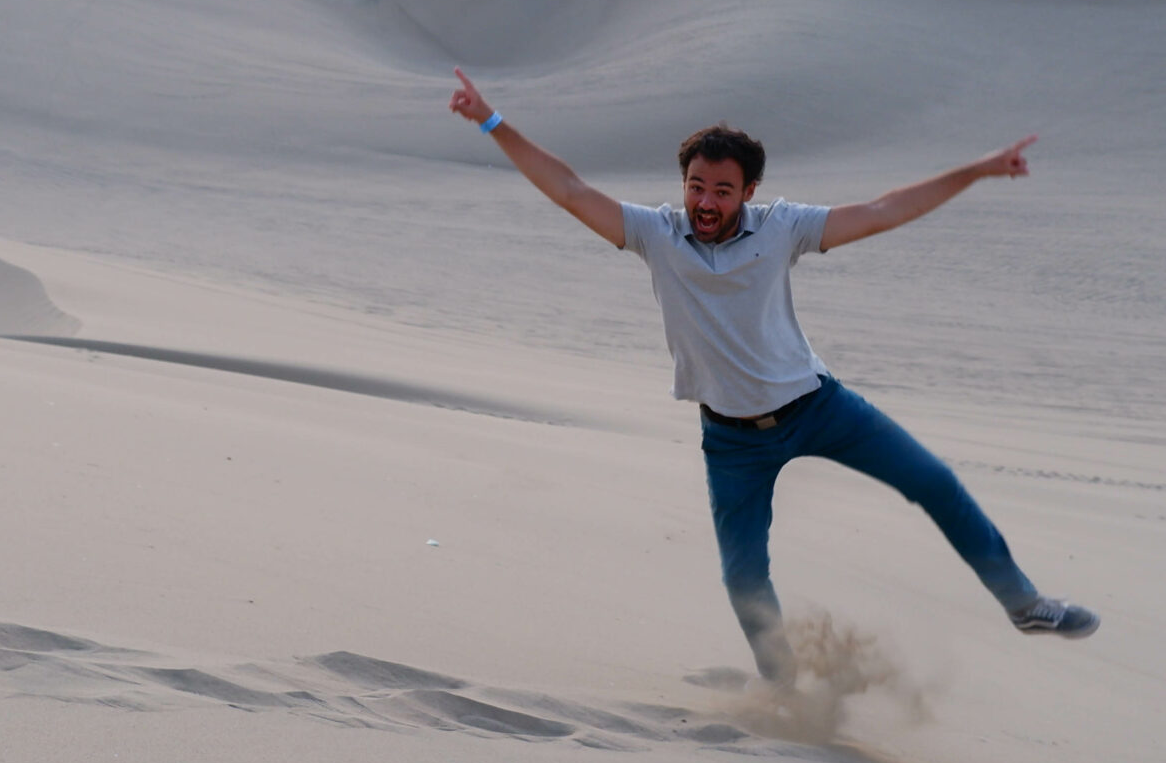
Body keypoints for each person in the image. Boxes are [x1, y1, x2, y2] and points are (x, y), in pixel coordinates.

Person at [446, 68, 1098, 682]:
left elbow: (883, 210)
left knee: (934, 482)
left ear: (749, 192)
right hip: (732, 440)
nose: (705, 202)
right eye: (696, 186)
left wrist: (978, 170)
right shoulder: (655, 235)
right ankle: (786, 692)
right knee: (743, 579)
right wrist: (490, 119)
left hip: (818, 408)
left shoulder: (782, 227)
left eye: (722, 190)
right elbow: (568, 189)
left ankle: (1023, 603)